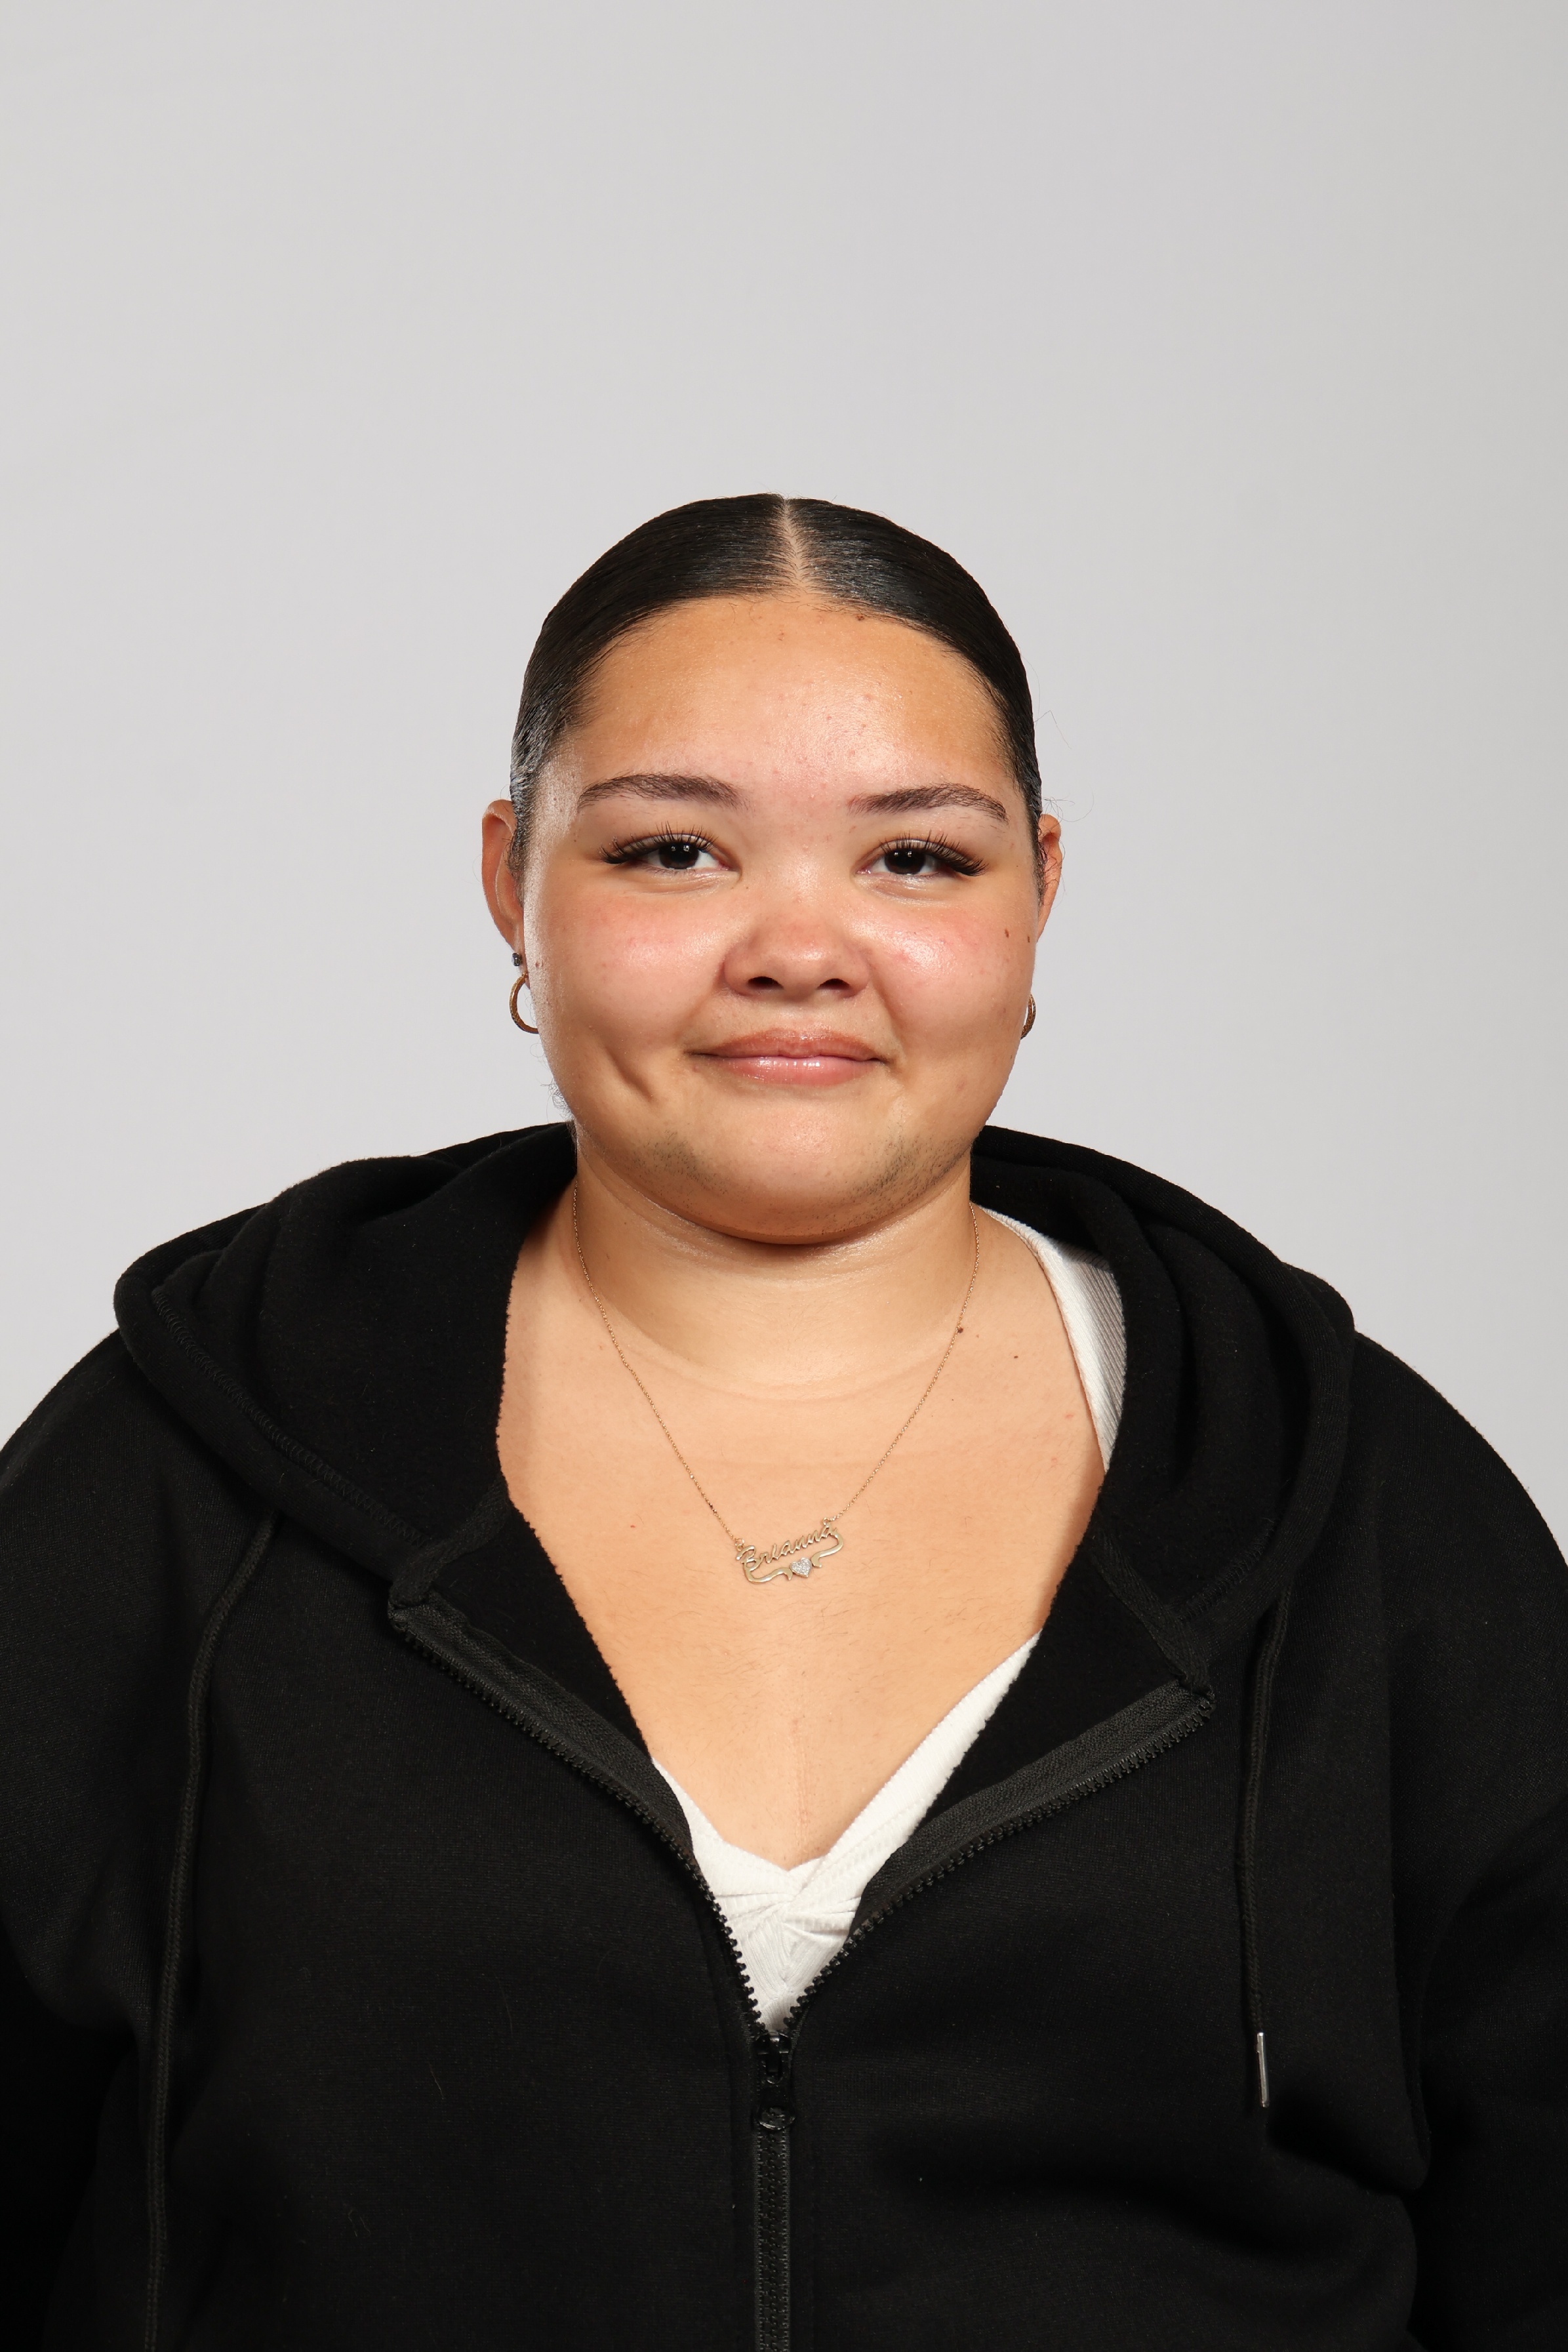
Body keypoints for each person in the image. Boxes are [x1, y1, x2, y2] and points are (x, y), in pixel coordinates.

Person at [1, 494, 1564, 2352]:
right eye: (673, 849)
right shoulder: (174, 1482)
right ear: (512, 882)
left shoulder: (1358, 1503)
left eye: (917, 858)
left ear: (1040, 891)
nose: (800, 948)